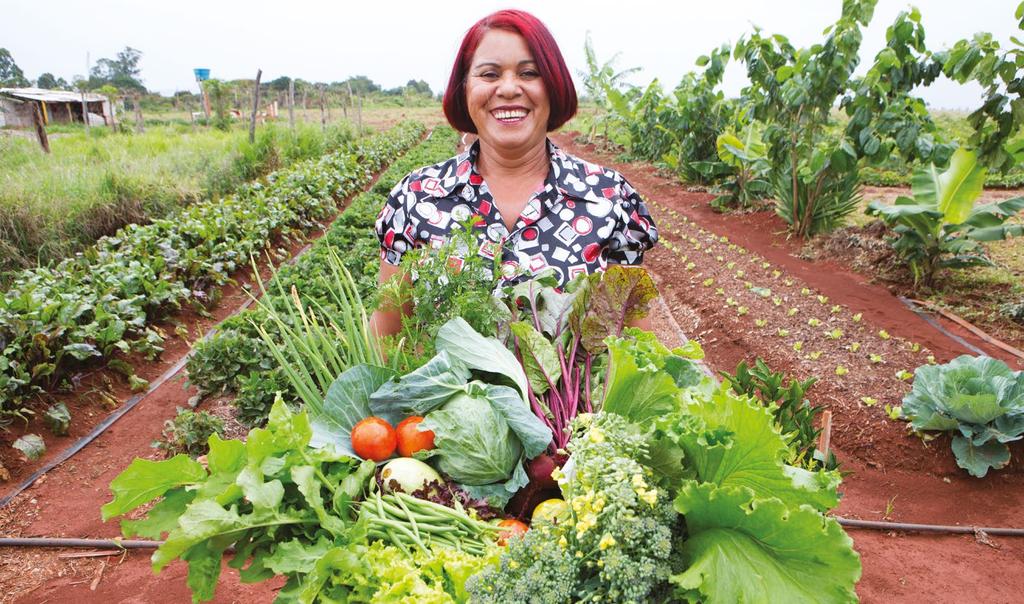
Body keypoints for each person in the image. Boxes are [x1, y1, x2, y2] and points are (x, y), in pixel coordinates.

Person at [371, 9, 658, 339]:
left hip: (577, 394)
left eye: (529, 73)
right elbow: (388, 340)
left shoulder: (609, 198)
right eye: (489, 75)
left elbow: (637, 347)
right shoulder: (416, 197)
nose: (508, 88)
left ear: (553, 87)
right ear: (464, 91)